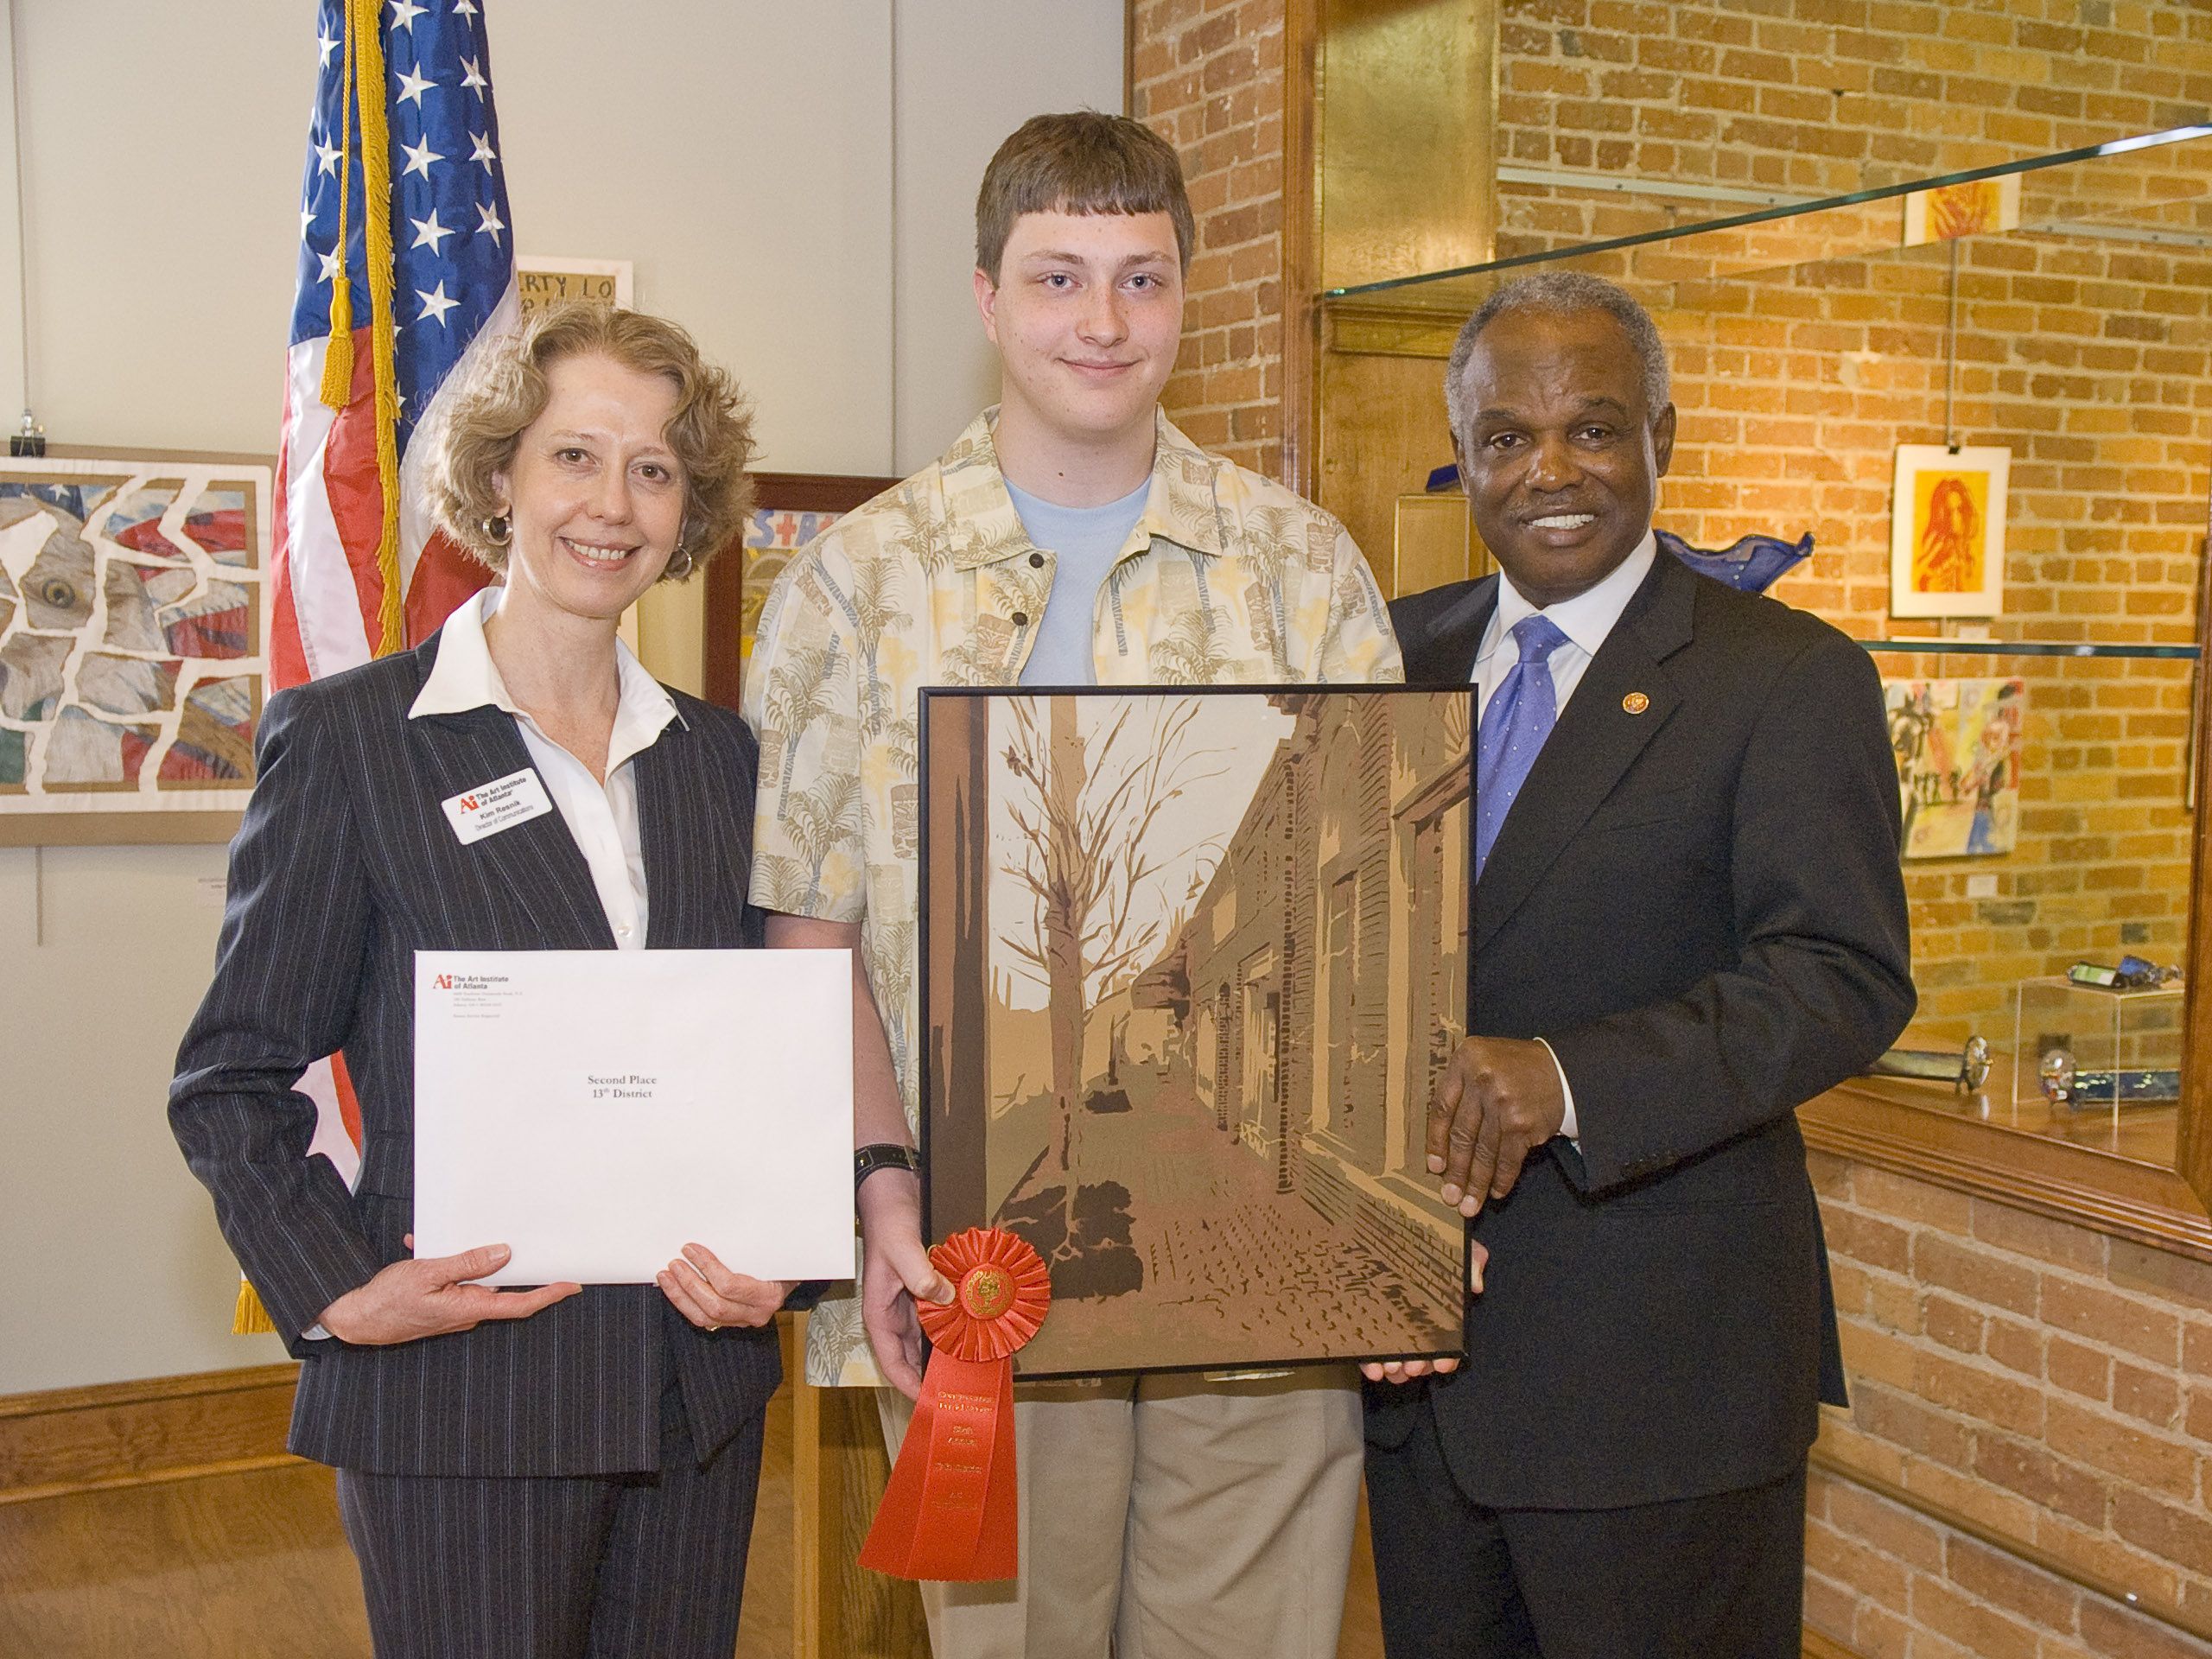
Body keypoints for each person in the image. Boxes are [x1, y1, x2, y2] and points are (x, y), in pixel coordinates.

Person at [744, 111, 1400, 1659]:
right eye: (1057, 277)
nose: (1101, 321)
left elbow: (1378, 910)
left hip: (1264, 1266)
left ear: (1186, 296)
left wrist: (1391, 1221)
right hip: (980, 1260)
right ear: (986, 298)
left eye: (1140, 278)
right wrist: (882, 1187)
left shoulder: (1304, 568)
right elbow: (808, 934)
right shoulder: (859, 584)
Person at [170, 304, 793, 1659]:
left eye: (653, 469)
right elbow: (228, 1078)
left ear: (688, 508)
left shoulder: (723, 762)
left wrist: (784, 1265)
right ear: (499, 474)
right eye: (575, 455)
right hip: (462, 1393)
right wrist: (340, 1288)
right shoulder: (352, 743)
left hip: (695, 1391)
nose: (611, 504)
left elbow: (757, 1063)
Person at [1365, 270, 1915, 1657]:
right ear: (1464, 455)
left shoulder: (1786, 677)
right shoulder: (1390, 655)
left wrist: (1570, 1078)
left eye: (1594, 429)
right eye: (1508, 437)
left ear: (1661, 437)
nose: (1550, 470)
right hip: (1418, 1373)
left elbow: (1842, 975)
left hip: (1663, 1391)